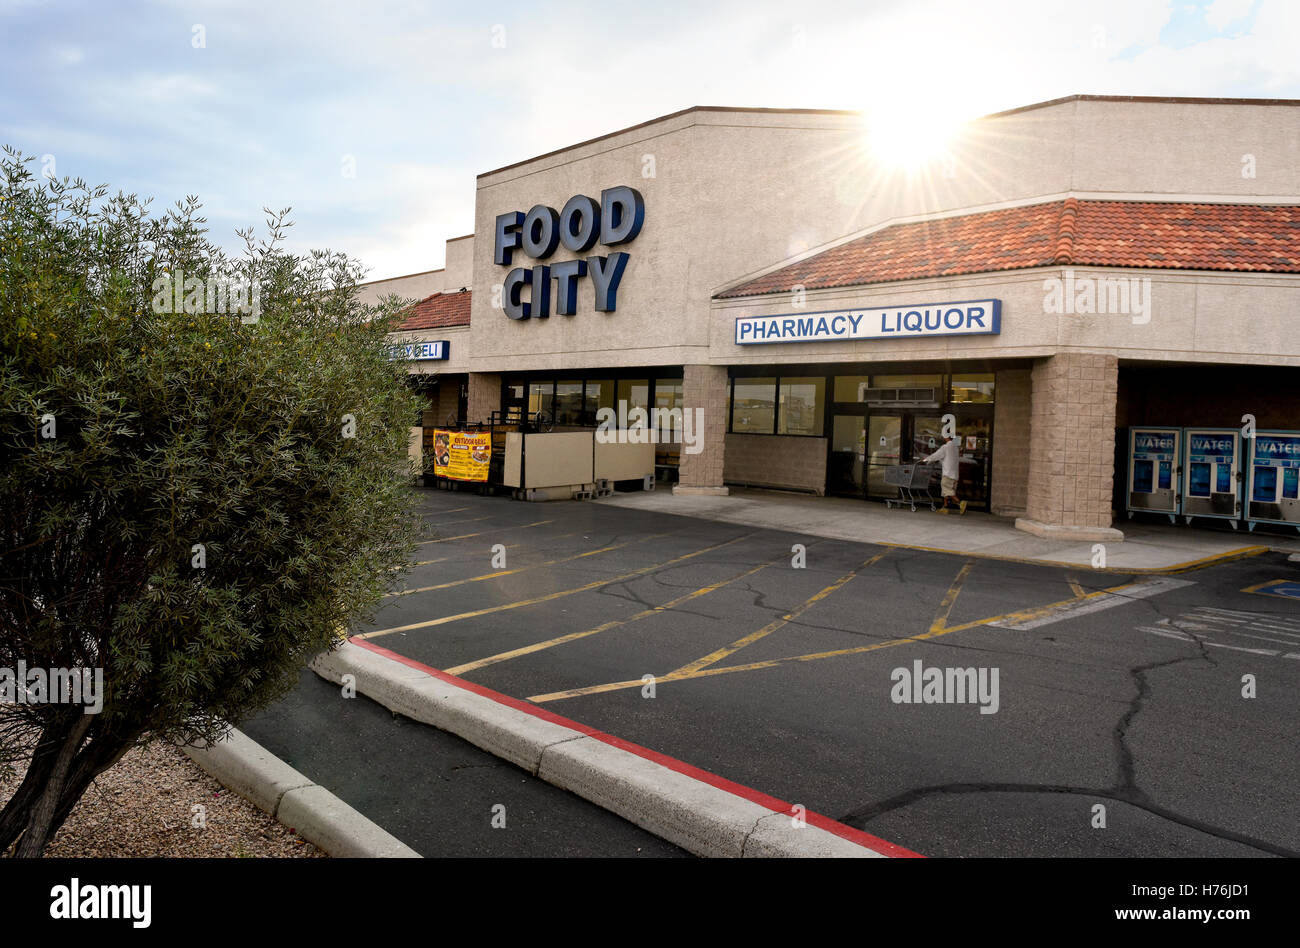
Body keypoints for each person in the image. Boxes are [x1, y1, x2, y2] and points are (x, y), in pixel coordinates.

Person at [922, 435, 967, 514]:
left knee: (948, 491)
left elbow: (936, 455)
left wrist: (926, 459)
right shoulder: (955, 448)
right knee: (946, 491)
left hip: (948, 474)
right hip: (955, 475)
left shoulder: (945, 447)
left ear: (946, 438)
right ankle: (945, 508)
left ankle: (960, 503)